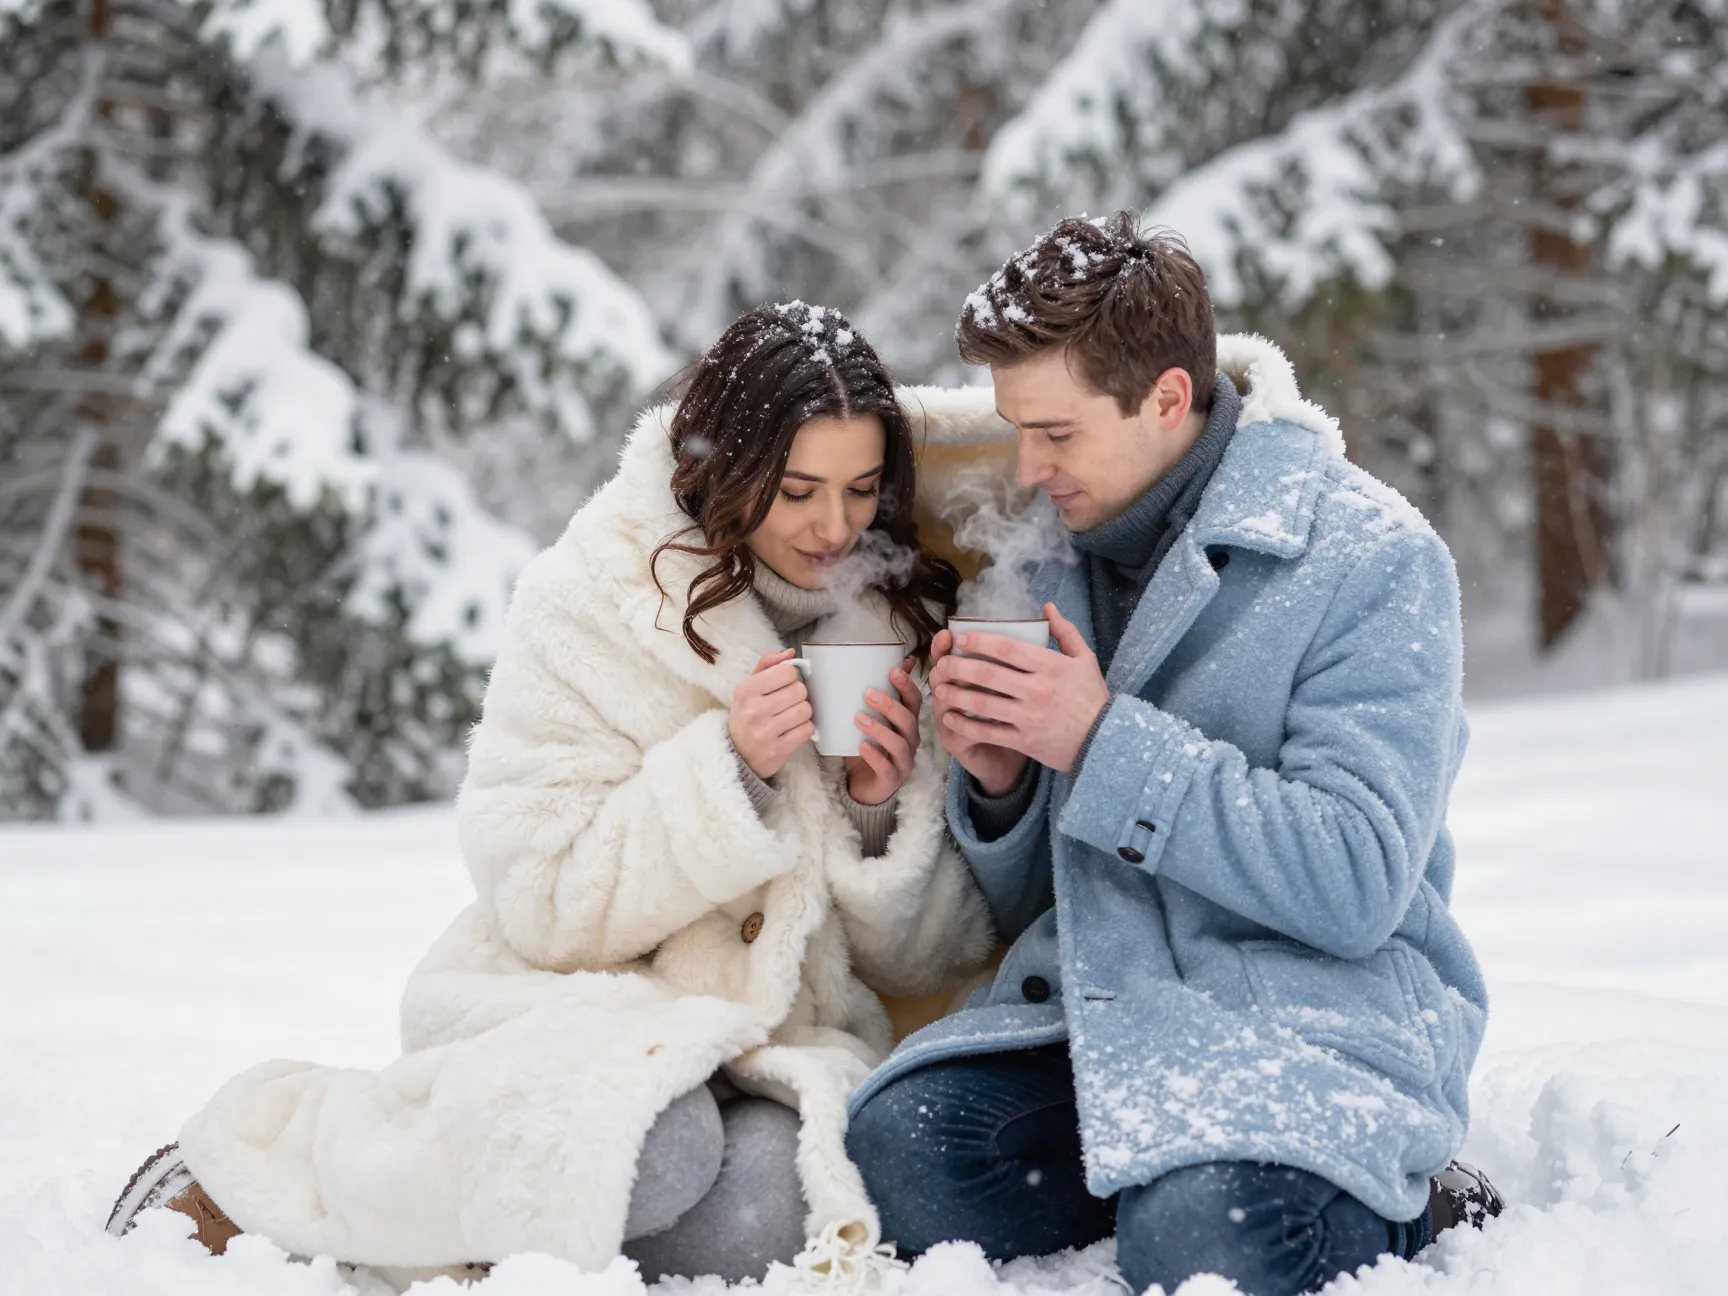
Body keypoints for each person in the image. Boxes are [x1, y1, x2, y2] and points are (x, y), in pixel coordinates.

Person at [105, 302, 994, 1284]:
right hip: (577, 1009)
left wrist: (876, 810)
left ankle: (487, 1231)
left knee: (768, 1213)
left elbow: (929, 962)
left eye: (864, 489)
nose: (837, 527)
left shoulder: (886, 621)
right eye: (798, 491)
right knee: (655, 1147)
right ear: (734, 469)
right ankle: (267, 1172)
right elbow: (539, 898)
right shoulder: (591, 597)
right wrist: (728, 772)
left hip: (778, 1048)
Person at [845, 214, 1502, 1296]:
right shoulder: (1040, 560)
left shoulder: (1375, 558)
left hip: (1309, 1016)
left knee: (1211, 1243)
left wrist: (1097, 741)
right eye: (1017, 428)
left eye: (1056, 432)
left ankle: (1410, 1199)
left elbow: (1354, 882)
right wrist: (1005, 789)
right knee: (902, 1155)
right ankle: (1167, 1170)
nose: (1027, 466)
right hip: (1109, 1010)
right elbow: (1050, 902)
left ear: (1164, 398)